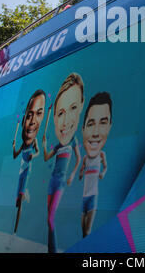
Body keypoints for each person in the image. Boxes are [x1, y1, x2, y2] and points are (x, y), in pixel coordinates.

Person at [43, 73, 84, 253]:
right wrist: (44, 144)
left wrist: (73, 175)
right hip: (52, 182)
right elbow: (46, 157)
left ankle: (52, 250)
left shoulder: (73, 140)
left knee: (51, 217)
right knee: (48, 218)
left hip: (60, 182)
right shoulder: (60, 144)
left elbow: (79, 158)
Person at [12, 89, 47, 233]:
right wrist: (14, 146)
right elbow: (15, 155)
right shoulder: (24, 143)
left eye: (39, 113)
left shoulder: (33, 142)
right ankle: (23, 195)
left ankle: (16, 229)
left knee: (20, 201)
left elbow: (38, 152)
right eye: (30, 114)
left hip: (27, 171)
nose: (32, 121)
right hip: (20, 172)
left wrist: (35, 155)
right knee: (17, 201)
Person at [79, 92, 112, 238]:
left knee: (88, 231)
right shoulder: (86, 158)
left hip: (93, 196)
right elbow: (81, 169)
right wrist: (80, 173)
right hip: (84, 197)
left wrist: (103, 173)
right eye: (91, 124)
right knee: (82, 230)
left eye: (103, 123)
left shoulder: (102, 155)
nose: (96, 132)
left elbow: (105, 167)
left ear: (110, 126)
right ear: (83, 129)